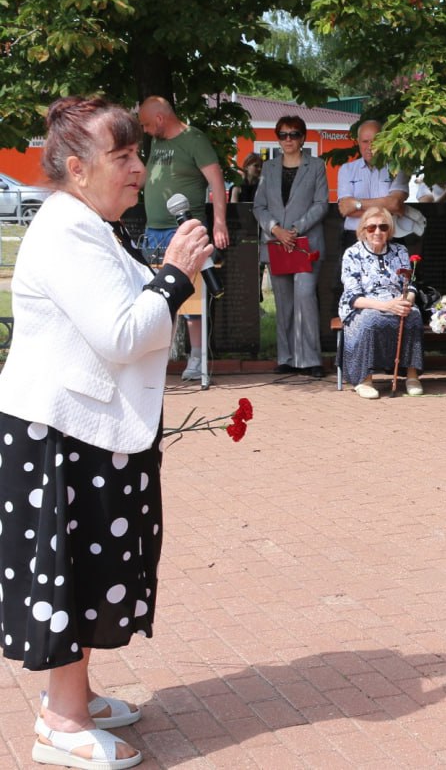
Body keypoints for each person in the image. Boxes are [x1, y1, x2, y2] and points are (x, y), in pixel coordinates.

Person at [0, 96, 211, 770]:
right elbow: (122, 334)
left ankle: (77, 696)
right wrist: (176, 273)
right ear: (75, 167)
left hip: (89, 430)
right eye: (120, 155)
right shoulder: (65, 230)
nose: (136, 166)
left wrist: (166, 279)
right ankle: (60, 721)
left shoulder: (91, 225)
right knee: (72, 572)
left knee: (90, 571)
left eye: (134, 152)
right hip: (61, 434)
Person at [137, 95, 229, 382]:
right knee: (155, 294)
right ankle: (157, 356)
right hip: (154, 230)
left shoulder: (194, 140)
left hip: (185, 228)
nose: (145, 130)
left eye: (147, 124)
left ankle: (198, 356)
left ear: (161, 118)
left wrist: (219, 224)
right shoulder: (157, 142)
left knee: (193, 296)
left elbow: (216, 180)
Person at [253, 115, 329, 377]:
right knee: (284, 301)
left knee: (305, 295)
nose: (288, 139)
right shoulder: (269, 168)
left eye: (293, 134)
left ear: (303, 137)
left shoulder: (316, 165)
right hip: (276, 243)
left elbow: (321, 203)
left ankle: (310, 359)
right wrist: (276, 229)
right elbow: (259, 206)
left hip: (305, 243)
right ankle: (286, 357)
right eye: (283, 135)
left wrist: (295, 230)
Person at [339, 208, 424, 399]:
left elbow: (410, 285)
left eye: (383, 227)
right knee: (370, 320)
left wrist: (406, 302)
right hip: (364, 305)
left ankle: (411, 376)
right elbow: (353, 298)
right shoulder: (352, 254)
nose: (377, 232)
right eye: (372, 228)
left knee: (413, 315)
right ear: (363, 230)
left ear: (390, 230)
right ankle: (365, 379)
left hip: (397, 301)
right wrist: (386, 306)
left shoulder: (400, 251)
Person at [335, 119, 409, 250]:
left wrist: (357, 204)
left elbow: (395, 204)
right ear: (358, 142)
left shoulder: (397, 168)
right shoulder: (346, 170)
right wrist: (387, 208)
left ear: (384, 141)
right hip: (354, 238)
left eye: (375, 141)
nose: (370, 146)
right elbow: (345, 209)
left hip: (389, 237)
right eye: (365, 141)